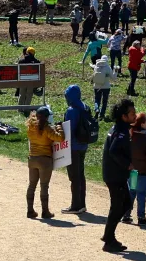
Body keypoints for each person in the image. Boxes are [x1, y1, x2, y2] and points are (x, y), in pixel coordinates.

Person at [102, 98, 137, 253]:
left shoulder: (118, 128)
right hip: (114, 175)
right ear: (124, 116)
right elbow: (114, 151)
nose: (135, 115)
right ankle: (109, 240)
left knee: (125, 203)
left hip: (115, 174)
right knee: (118, 206)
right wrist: (127, 164)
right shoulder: (121, 132)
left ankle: (108, 236)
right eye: (132, 113)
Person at [25, 106, 64, 219]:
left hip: (32, 158)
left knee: (32, 185)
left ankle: (30, 210)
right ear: (47, 117)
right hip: (45, 160)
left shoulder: (30, 127)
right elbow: (60, 138)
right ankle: (45, 211)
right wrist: (59, 127)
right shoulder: (47, 129)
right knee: (44, 186)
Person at [124, 112, 146, 225]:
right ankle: (141, 217)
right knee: (141, 195)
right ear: (142, 124)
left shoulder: (131, 136)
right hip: (144, 172)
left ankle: (126, 215)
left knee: (131, 192)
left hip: (133, 172)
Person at [62, 84, 92, 214]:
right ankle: (82, 204)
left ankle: (75, 205)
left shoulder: (71, 110)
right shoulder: (85, 107)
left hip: (73, 147)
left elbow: (69, 130)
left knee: (74, 176)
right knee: (80, 175)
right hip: (83, 145)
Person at [91, 55, 115, 119]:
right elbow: (113, 78)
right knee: (104, 101)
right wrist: (116, 71)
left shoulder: (96, 66)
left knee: (97, 99)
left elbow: (93, 75)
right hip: (106, 87)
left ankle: (96, 109)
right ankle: (102, 114)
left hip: (97, 86)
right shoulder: (108, 67)